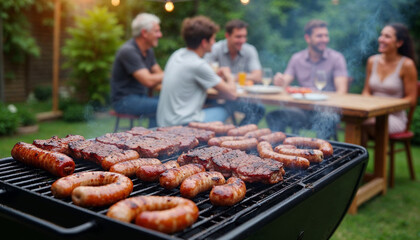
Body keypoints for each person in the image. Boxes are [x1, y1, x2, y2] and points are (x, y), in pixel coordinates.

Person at [266, 19, 349, 139]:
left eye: (326, 35)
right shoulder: (296, 58)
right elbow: (284, 83)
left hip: (325, 111)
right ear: (307, 38)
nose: (324, 39)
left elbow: (342, 92)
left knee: (326, 118)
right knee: (274, 116)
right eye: (319, 36)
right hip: (301, 112)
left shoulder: (337, 58)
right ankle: (279, 150)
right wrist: (279, 81)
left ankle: (321, 155)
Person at [156, 16, 237, 127]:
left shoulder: (177, 54)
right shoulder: (199, 65)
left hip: (164, 121)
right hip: (182, 124)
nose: (214, 43)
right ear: (204, 42)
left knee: (213, 105)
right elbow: (232, 94)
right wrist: (229, 75)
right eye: (213, 39)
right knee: (227, 108)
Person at [361, 23, 418, 145]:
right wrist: (369, 104)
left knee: (362, 124)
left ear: (399, 43)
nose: (381, 39)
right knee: (356, 121)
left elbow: (411, 99)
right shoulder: (372, 61)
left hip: (394, 117)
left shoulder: (407, 65)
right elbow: (366, 91)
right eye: (381, 35)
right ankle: (357, 160)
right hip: (372, 112)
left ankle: (361, 160)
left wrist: (385, 106)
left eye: (387, 36)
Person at [204, 19, 265, 126]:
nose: (242, 40)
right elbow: (205, 71)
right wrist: (244, 77)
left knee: (259, 109)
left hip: (237, 98)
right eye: (238, 37)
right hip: (217, 97)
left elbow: (258, 76)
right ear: (227, 35)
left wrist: (231, 77)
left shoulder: (249, 50)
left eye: (244, 36)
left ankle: (240, 135)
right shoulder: (215, 48)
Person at [110, 13, 164, 128]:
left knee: (170, 101)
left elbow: (159, 76)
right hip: (124, 101)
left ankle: (156, 138)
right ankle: (155, 141)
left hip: (141, 97)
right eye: (156, 31)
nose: (160, 35)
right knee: (163, 105)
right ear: (144, 33)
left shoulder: (148, 51)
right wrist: (173, 73)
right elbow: (149, 81)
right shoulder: (128, 51)